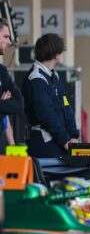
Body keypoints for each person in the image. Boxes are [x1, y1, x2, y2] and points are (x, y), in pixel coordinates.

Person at [22, 33, 79, 157]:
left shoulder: (53, 75)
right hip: (45, 142)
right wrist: (65, 140)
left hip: (60, 140)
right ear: (56, 55)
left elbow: (66, 105)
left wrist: (73, 136)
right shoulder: (36, 78)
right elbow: (46, 114)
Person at [0, 17, 24, 151]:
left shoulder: (2, 71)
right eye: (6, 36)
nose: (9, 42)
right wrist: (3, 106)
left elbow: (19, 104)